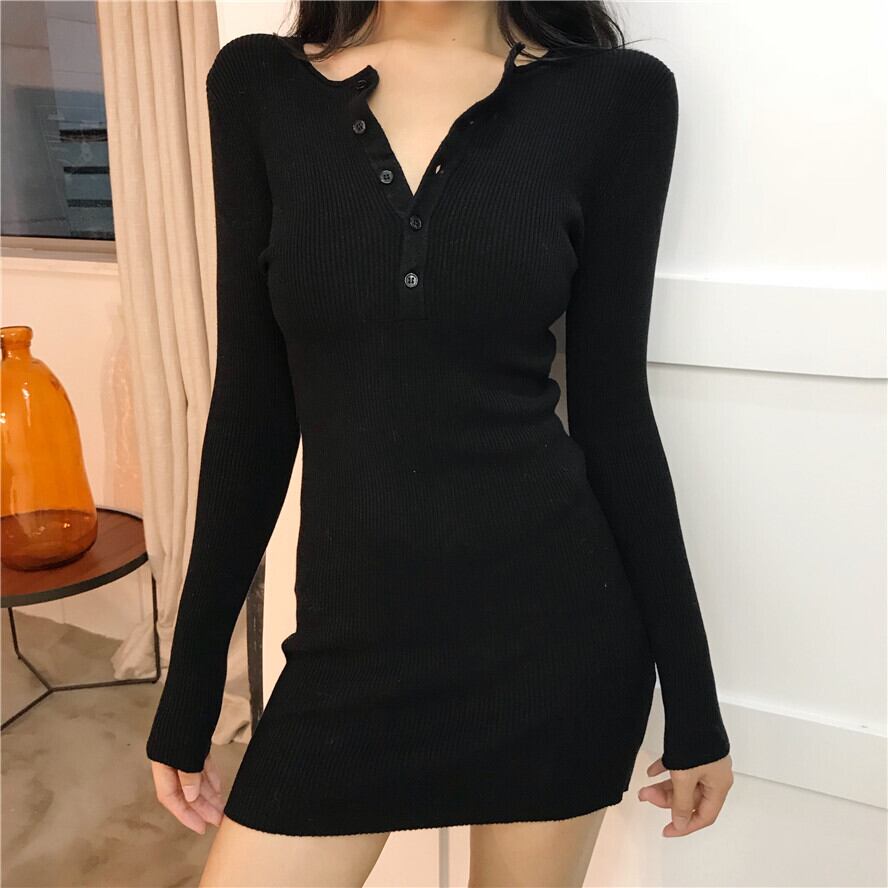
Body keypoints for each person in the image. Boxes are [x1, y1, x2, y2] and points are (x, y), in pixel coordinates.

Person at [146, 1, 735, 884]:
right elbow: (251, 411)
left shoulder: (617, 98)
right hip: (350, 647)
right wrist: (192, 683)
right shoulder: (261, 86)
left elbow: (615, 415)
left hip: (553, 644)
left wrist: (695, 702)